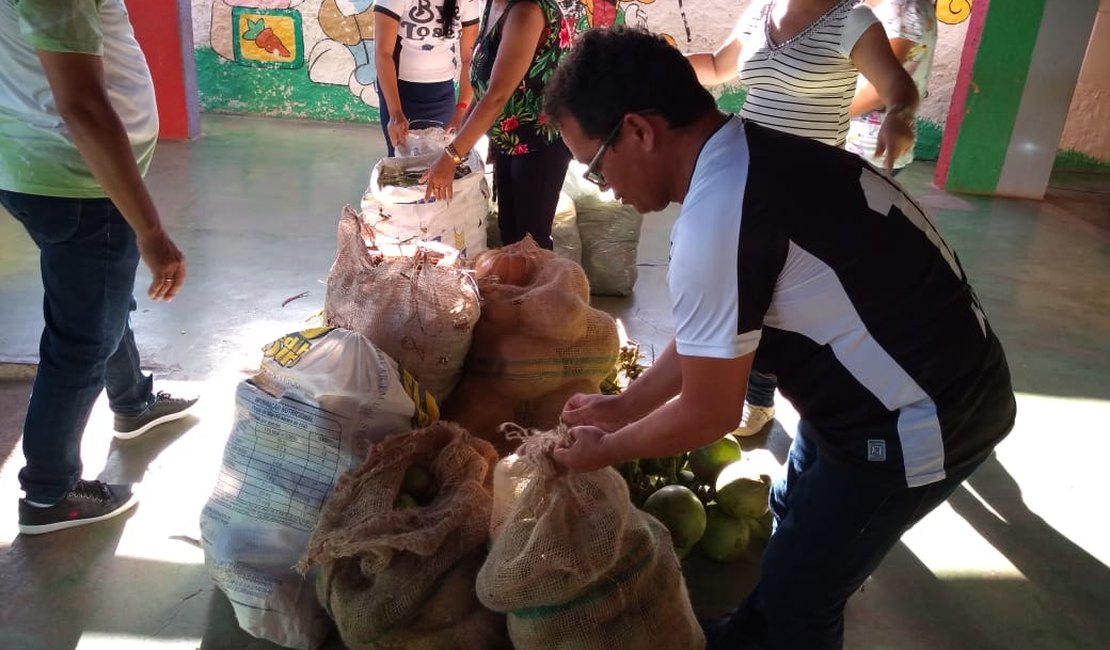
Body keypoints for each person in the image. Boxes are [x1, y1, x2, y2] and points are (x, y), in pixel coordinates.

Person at [544, 28, 1015, 650]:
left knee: (804, 594)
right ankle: (746, 634)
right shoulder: (746, 150)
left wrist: (607, 448)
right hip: (885, 383)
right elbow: (714, 337)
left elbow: (710, 412)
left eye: (596, 166)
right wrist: (621, 407)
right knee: (794, 514)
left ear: (639, 130)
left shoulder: (719, 220)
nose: (606, 187)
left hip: (924, 416)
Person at [1, 2, 198, 535]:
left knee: (102, 298)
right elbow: (84, 106)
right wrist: (152, 232)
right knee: (83, 338)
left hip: (45, 169)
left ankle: (133, 402)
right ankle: (50, 491)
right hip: (76, 180)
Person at [687, 0, 921, 438]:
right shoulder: (763, 10)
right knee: (738, 287)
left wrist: (899, 115)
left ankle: (758, 399)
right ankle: (730, 392)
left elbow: (898, 85)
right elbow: (720, 66)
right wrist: (661, 65)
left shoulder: (851, 20)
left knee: (780, 297)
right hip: (742, 175)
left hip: (808, 188)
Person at [420, 0, 576, 249]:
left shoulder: (527, 12)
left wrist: (452, 157)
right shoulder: (496, 5)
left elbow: (497, 95)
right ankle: (516, 286)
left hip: (539, 144)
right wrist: (459, 140)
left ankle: (540, 288)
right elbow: (485, 89)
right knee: (510, 233)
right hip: (508, 139)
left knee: (530, 241)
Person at [373, 0, 480, 156]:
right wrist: (395, 112)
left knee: (441, 159)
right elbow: (383, 54)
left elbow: (468, 58)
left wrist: (461, 109)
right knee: (401, 159)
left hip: (443, 94)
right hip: (400, 93)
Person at [847, 0, 938, 173]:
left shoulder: (898, 11)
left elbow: (879, 89)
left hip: (868, 143)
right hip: (865, 140)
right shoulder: (893, 8)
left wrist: (824, 114)